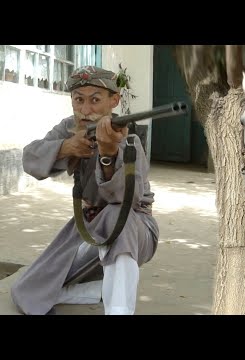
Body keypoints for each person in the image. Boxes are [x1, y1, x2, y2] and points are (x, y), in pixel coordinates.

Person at [11, 65, 159, 315]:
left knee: (115, 220)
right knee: (28, 288)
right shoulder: (69, 127)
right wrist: (66, 148)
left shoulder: (129, 138)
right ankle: (99, 291)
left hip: (133, 227)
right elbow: (30, 159)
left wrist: (109, 153)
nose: (86, 109)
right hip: (87, 227)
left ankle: (119, 310)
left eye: (95, 100)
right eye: (79, 100)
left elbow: (126, 202)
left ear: (114, 101)